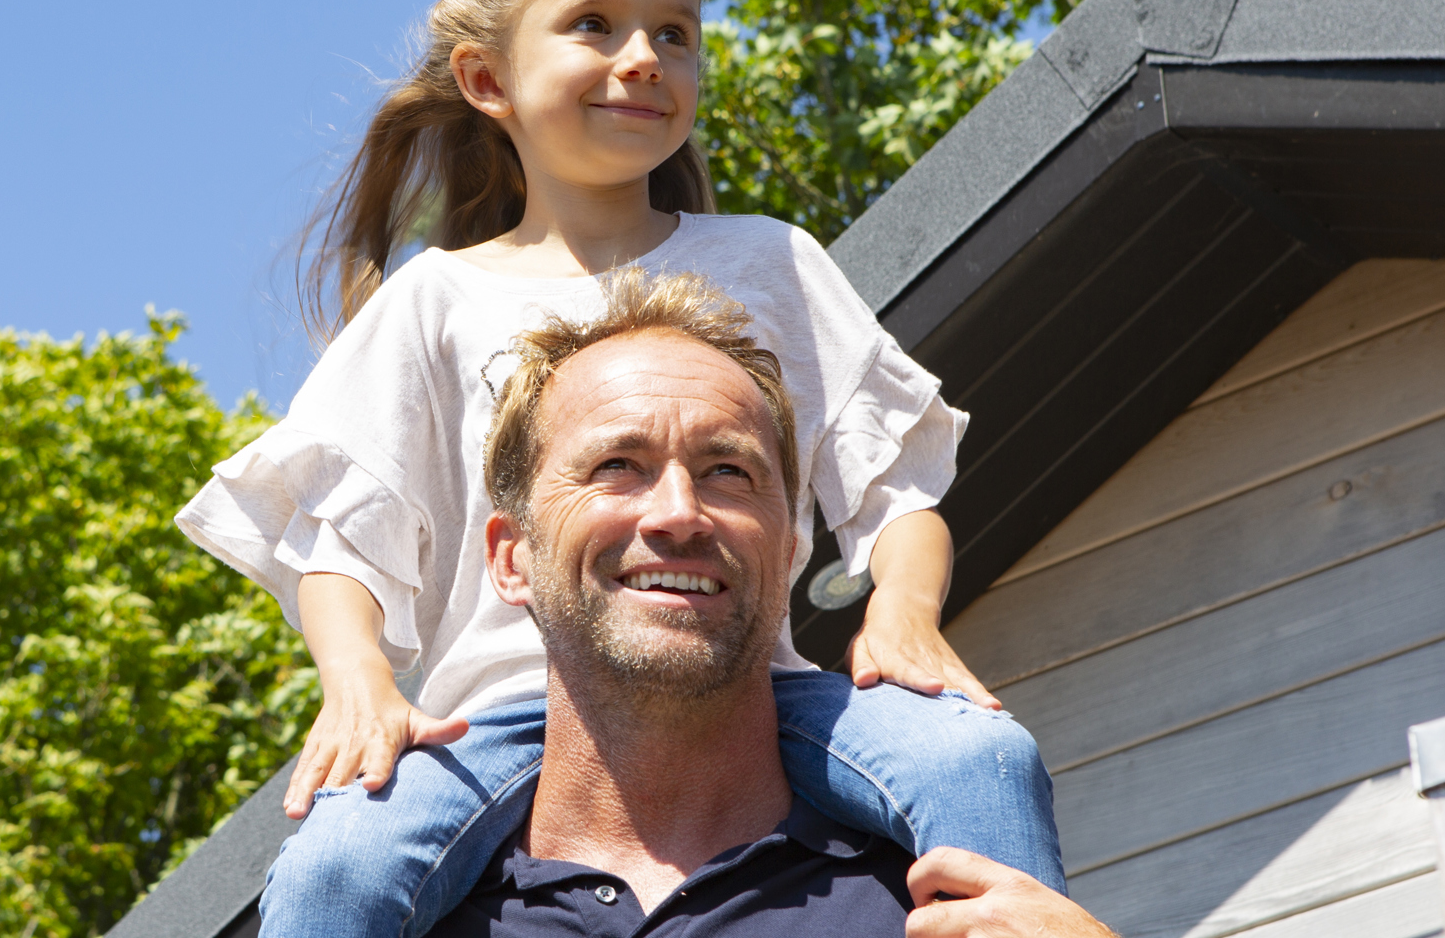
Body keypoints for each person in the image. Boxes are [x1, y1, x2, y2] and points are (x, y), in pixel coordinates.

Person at [174, 0, 1062, 938]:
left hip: (754, 691)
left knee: (980, 755)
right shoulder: (436, 298)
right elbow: (339, 543)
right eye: (594, 24)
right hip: (500, 716)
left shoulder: (765, 258)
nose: (644, 56)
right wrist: (360, 684)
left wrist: (902, 612)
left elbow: (895, 482)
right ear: (485, 78)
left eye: (674, 33)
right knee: (333, 873)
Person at [428, 271, 1111, 938]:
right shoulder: (400, 909)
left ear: (788, 553)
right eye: (617, 465)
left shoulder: (947, 897)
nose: (680, 514)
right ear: (510, 558)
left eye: (729, 471)